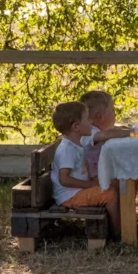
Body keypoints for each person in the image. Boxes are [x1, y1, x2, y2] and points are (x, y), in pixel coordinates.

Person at [50, 101, 121, 238]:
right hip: (70, 196)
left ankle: (124, 223)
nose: (91, 122)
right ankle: (117, 233)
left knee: (115, 183)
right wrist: (90, 184)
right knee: (110, 194)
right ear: (76, 126)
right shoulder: (67, 149)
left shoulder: (77, 144)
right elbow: (64, 179)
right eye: (87, 119)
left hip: (77, 191)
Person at [78, 90, 133, 178]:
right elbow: (105, 135)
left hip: (102, 173)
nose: (115, 114)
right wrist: (131, 131)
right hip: (94, 179)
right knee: (126, 175)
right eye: (112, 110)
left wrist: (122, 128)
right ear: (100, 117)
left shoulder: (97, 129)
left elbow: (111, 130)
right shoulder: (89, 132)